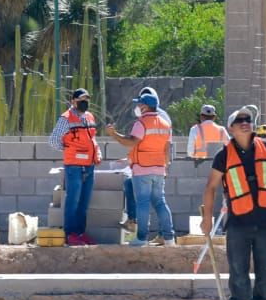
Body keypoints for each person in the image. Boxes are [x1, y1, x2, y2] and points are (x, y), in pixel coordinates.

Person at [201, 106, 266, 300]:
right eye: (240, 120)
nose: (245, 122)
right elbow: (210, 187)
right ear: (231, 128)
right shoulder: (223, 156)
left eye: (248, 119)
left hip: (265, 221)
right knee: (238, 269)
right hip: (238, 223)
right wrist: (207, 218)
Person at [104, 91, 176, 246]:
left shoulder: (141, 123)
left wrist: (113, 134)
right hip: (159, 169)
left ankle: (142, 238)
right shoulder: (165, 124)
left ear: (145, 106)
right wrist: (166, 167)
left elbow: (131, 142)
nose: (137, 106)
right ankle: (170, 238)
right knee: (160, 203)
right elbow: (167, 148)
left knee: (142, 203)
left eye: (139, 103)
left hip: (142, 169)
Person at [47, 88, 102, 246]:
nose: (85, 103)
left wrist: (97, 152)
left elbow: (93, 139)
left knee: (84, 202)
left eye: (87, 100)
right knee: (73, 200)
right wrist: (68, 148)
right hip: (74, 166)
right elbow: (53, 140)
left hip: (89, 166)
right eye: (81, 100)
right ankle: (70, 234)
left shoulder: (89, 116)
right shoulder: (66, 118)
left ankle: (80, 233)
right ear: (73, 102)